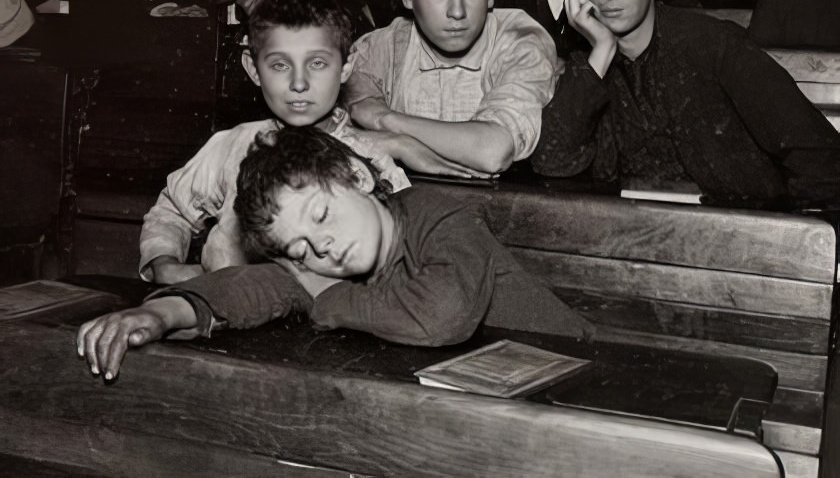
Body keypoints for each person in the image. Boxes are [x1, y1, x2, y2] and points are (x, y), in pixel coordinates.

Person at [77, 126, 594, 381]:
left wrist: (324, 294)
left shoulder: (437, 213)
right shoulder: (325, 268)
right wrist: (157, 313)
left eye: (321, 216)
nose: (319, 246)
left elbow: (443, 315)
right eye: (299, 248)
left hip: (584, 376)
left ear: (358, 177)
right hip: (491, 389)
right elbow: (248, 287)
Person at [139, 0, 461, 285]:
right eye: (280, 65)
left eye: (317, 63)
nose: (299, 83)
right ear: (253, 68)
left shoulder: (369, 158)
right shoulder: (233, 145)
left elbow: (403, 253)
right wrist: (164, 262)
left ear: (347, 67)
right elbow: (174, 207)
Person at [532, 0, 840, 210]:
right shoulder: (589, 66)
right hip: (635, 239)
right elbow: (551, 163)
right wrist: (600, 52)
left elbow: (819, 156)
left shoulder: (714, 45)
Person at [344, 0, 558, 176]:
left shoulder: (520, 40)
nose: (457, 11)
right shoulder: (381, 46)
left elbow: (492, 152)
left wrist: (387, 123)